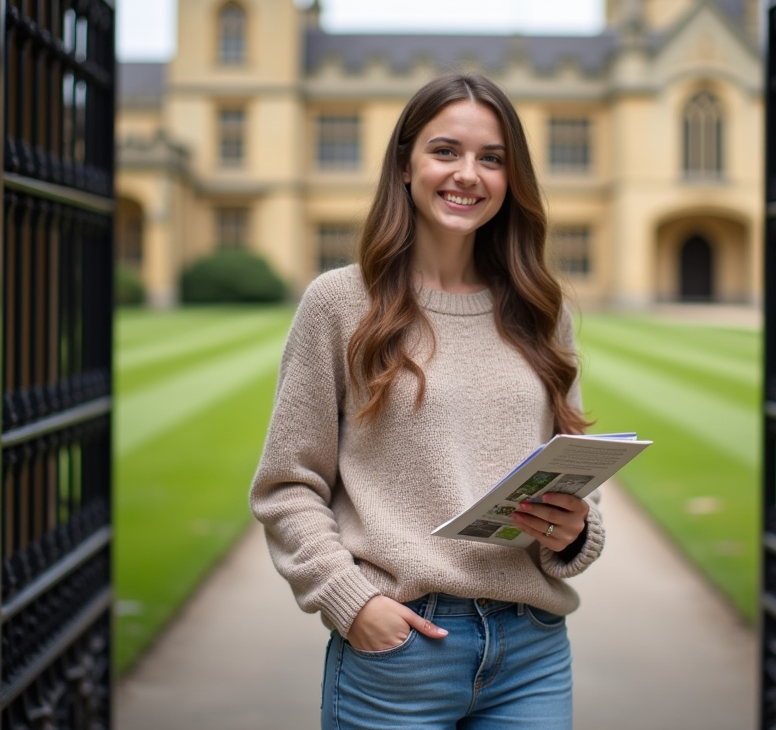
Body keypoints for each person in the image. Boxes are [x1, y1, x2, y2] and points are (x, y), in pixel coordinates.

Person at [249, 72, 604, 730]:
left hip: (532, 649)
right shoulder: (339, 303)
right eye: (446, 151)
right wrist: (350, 601)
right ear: (405, 165)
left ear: (510, 178)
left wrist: (576, 531)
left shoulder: (539, 310)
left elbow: (572, 479)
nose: (468, 174)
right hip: (401, 651)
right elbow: (286, 485)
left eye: (491, 159)